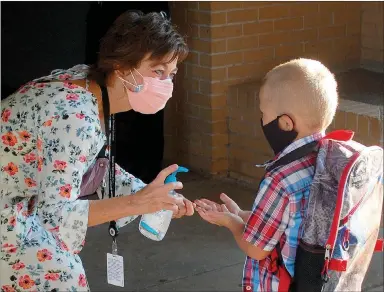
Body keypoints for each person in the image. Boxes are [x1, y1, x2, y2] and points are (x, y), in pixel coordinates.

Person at [0, 11, 194, 291]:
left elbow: (89, 166)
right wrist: (138, 202)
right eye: (157, 71)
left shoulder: (90, 85)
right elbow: (57, 215)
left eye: (171, 74)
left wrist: (151, 196)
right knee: (62, 278)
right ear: (122, 66)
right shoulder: (76, 116)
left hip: (17, 200)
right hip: (12, 205)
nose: (166, 84)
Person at [195, 58, 339, 292]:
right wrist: (242, 214)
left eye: (264, 114)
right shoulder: (331, 160)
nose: (262, 120)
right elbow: (290, 223)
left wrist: (232, 223)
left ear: (285, 123)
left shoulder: (281, 179)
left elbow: (256, 248)